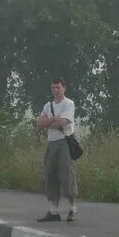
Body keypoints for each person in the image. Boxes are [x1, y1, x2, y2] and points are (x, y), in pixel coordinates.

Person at [36, 77, 77, 223]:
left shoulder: (69, 104)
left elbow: (64, 122)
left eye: (58, 87)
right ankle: (54, 212)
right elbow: (39, 123)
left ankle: (72, 209)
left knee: (66, 175)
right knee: (50, 176)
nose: (55, 90)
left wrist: (50, 121)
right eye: (53, 87)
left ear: (64, 88)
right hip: (51, 143)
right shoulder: (48, 105)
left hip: (63, 143)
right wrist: (51, 121)